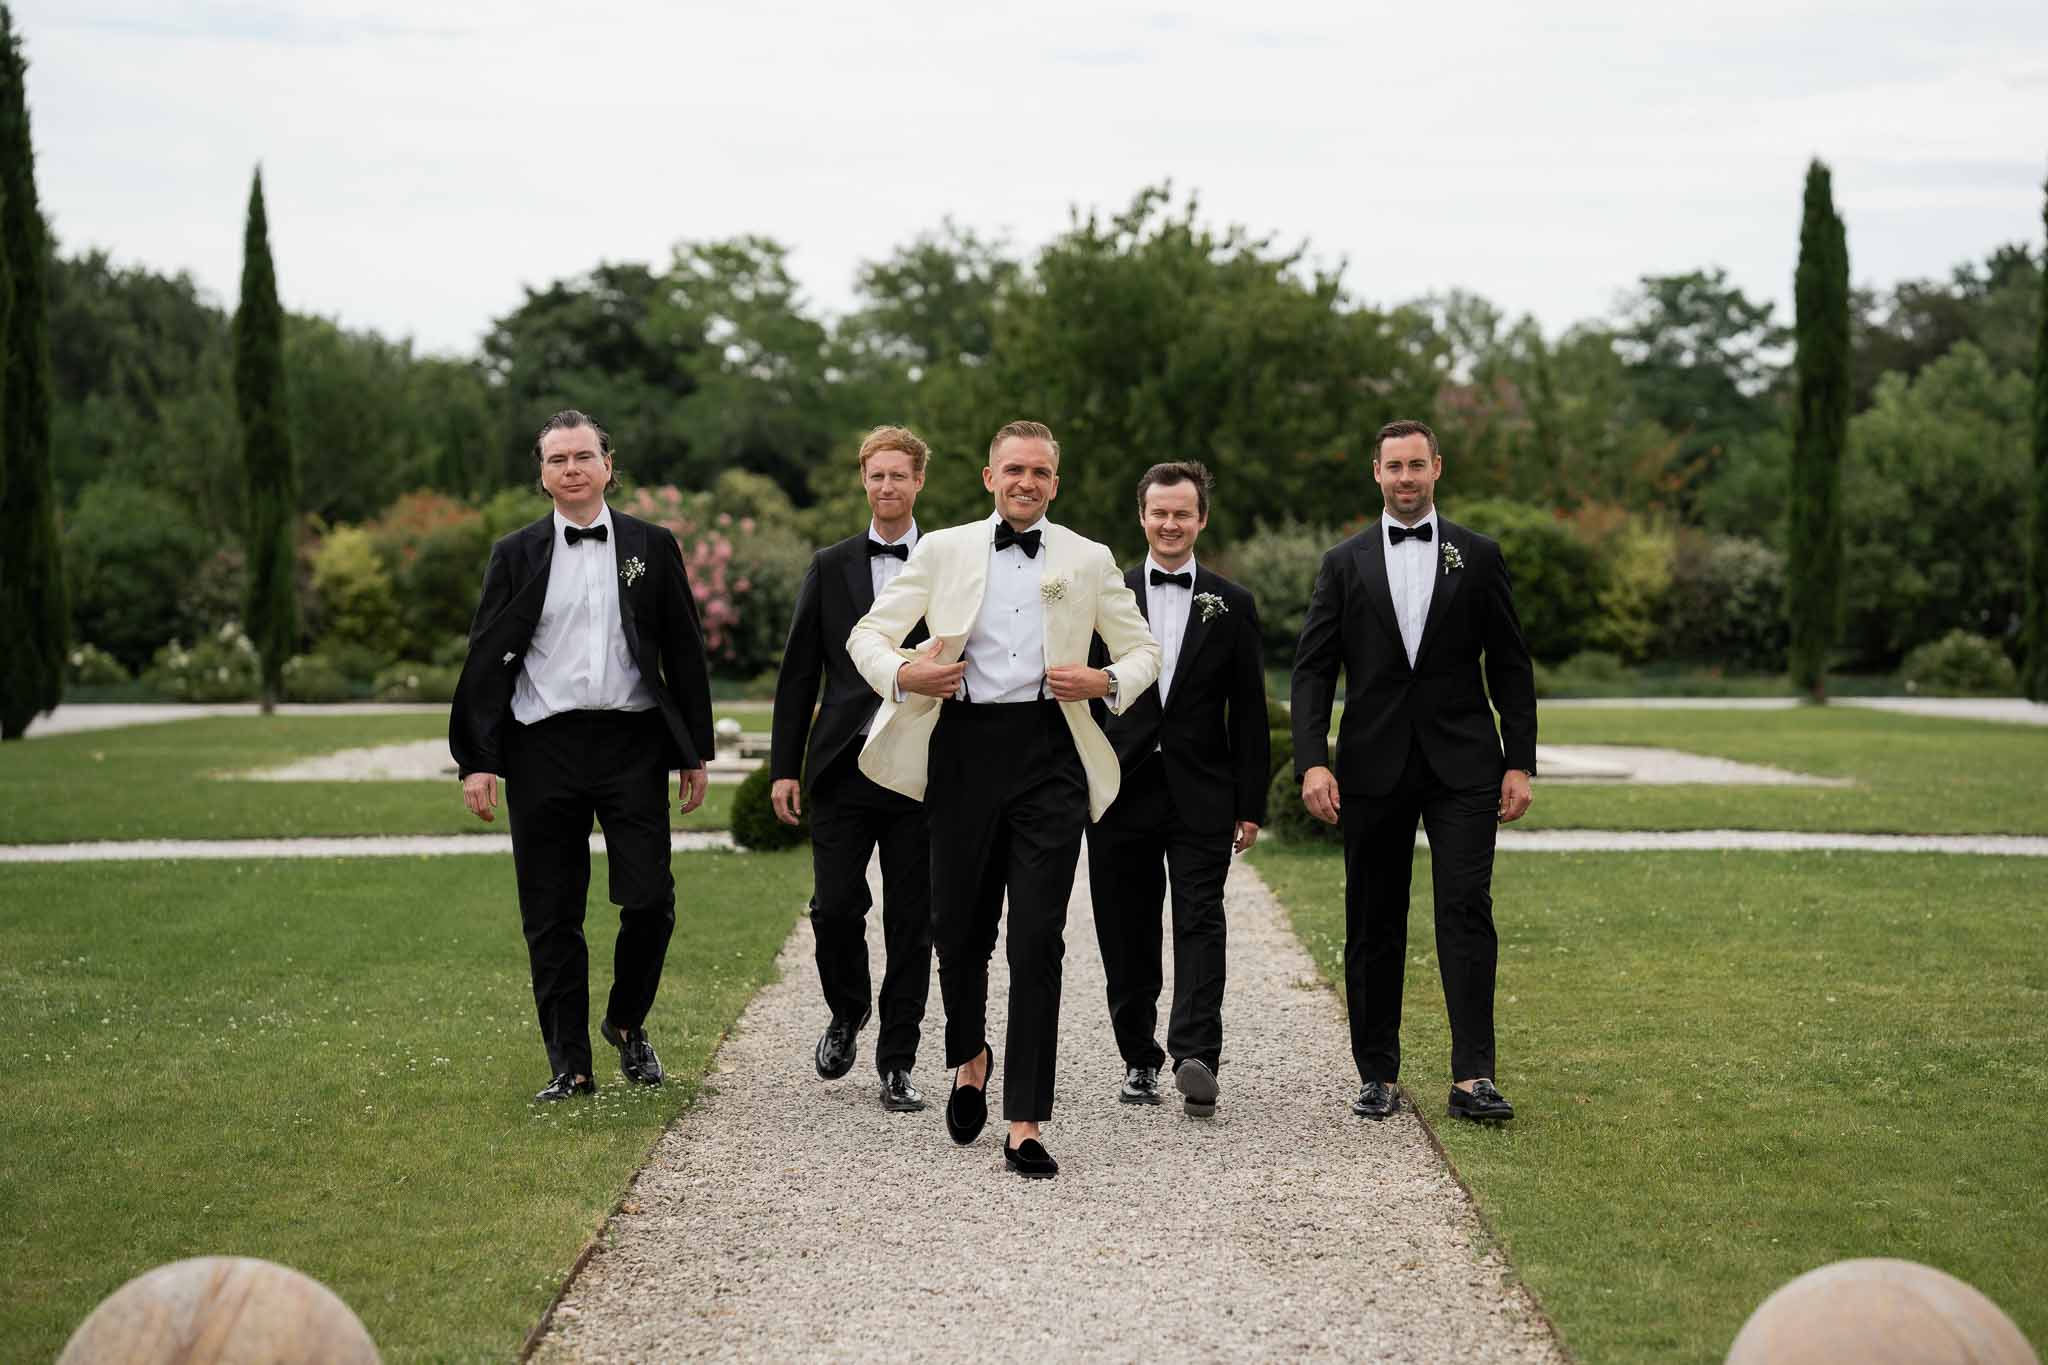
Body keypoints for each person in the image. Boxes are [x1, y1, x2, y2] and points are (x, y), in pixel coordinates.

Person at [846, 420, 1162, 1179]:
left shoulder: (1088, 557)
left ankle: (1025, 1120)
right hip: (961, 750)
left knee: (1037, 939)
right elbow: (868, 632)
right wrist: (904, 675)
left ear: (1057, 482)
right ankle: (970, 1052)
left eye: (1041, 472)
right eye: (1014, 469)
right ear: (990, 476)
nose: (1027, 482)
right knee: (955, 929)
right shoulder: (944, 548)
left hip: (1051, 756)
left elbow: (1144, 649)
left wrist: (1106, 682)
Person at [449, 409, 714, 1103]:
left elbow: (684, 652)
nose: (571, 468)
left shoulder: (653, 546)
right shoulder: (515, 553)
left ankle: (626, 1021)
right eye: (557, 458)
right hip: (542, 747)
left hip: (632, 743)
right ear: (542, 474)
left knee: (651, 899)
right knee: (551, 910)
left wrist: (695, 751)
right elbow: (485, 660)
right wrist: (478, 759)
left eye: (583, 456)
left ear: (607, 466)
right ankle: (570, 1065)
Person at [1290, 418, 1537, 1124]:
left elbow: (1512, 666)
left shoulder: (1478, 556)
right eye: (1393, 466)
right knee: (1372, 918)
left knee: (1465, 909)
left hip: (1464, 764)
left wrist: (1519, 759)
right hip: (1371, 764)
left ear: (1437, 468)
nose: (1405, 477)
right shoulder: (1344, 562)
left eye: (1416, 465)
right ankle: (1376, 1072)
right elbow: (1312, 671)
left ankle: (1473, 1076)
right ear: (1376, 472)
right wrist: (1312, 760)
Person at [1086, 461, 1268, 1119]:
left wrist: (1251, 803)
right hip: (1118, 788)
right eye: (1159, 512)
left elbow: (1248, 710)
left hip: (1201, 791)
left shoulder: (1233, 604)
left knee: (1201, 918)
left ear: (1201, 520)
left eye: (1182, 513)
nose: (1170, 523)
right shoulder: (1103, 595)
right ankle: (1138, 1056)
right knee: (1125, 929)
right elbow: (1078, 698)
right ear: (1143, 517)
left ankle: (1197, 1054)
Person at [768, 426, 935, 1113]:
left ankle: (898, 1059)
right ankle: (848, 1008)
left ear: (919, 480)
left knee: (913, 921)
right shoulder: (831, 564)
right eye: (876, 476)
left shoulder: (953, 561)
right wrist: (784, 766)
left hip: (922, 766)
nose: (887, 486)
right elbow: (798, 671)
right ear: (863, 481)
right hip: (841, 764)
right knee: (835, 906)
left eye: (899, 475)